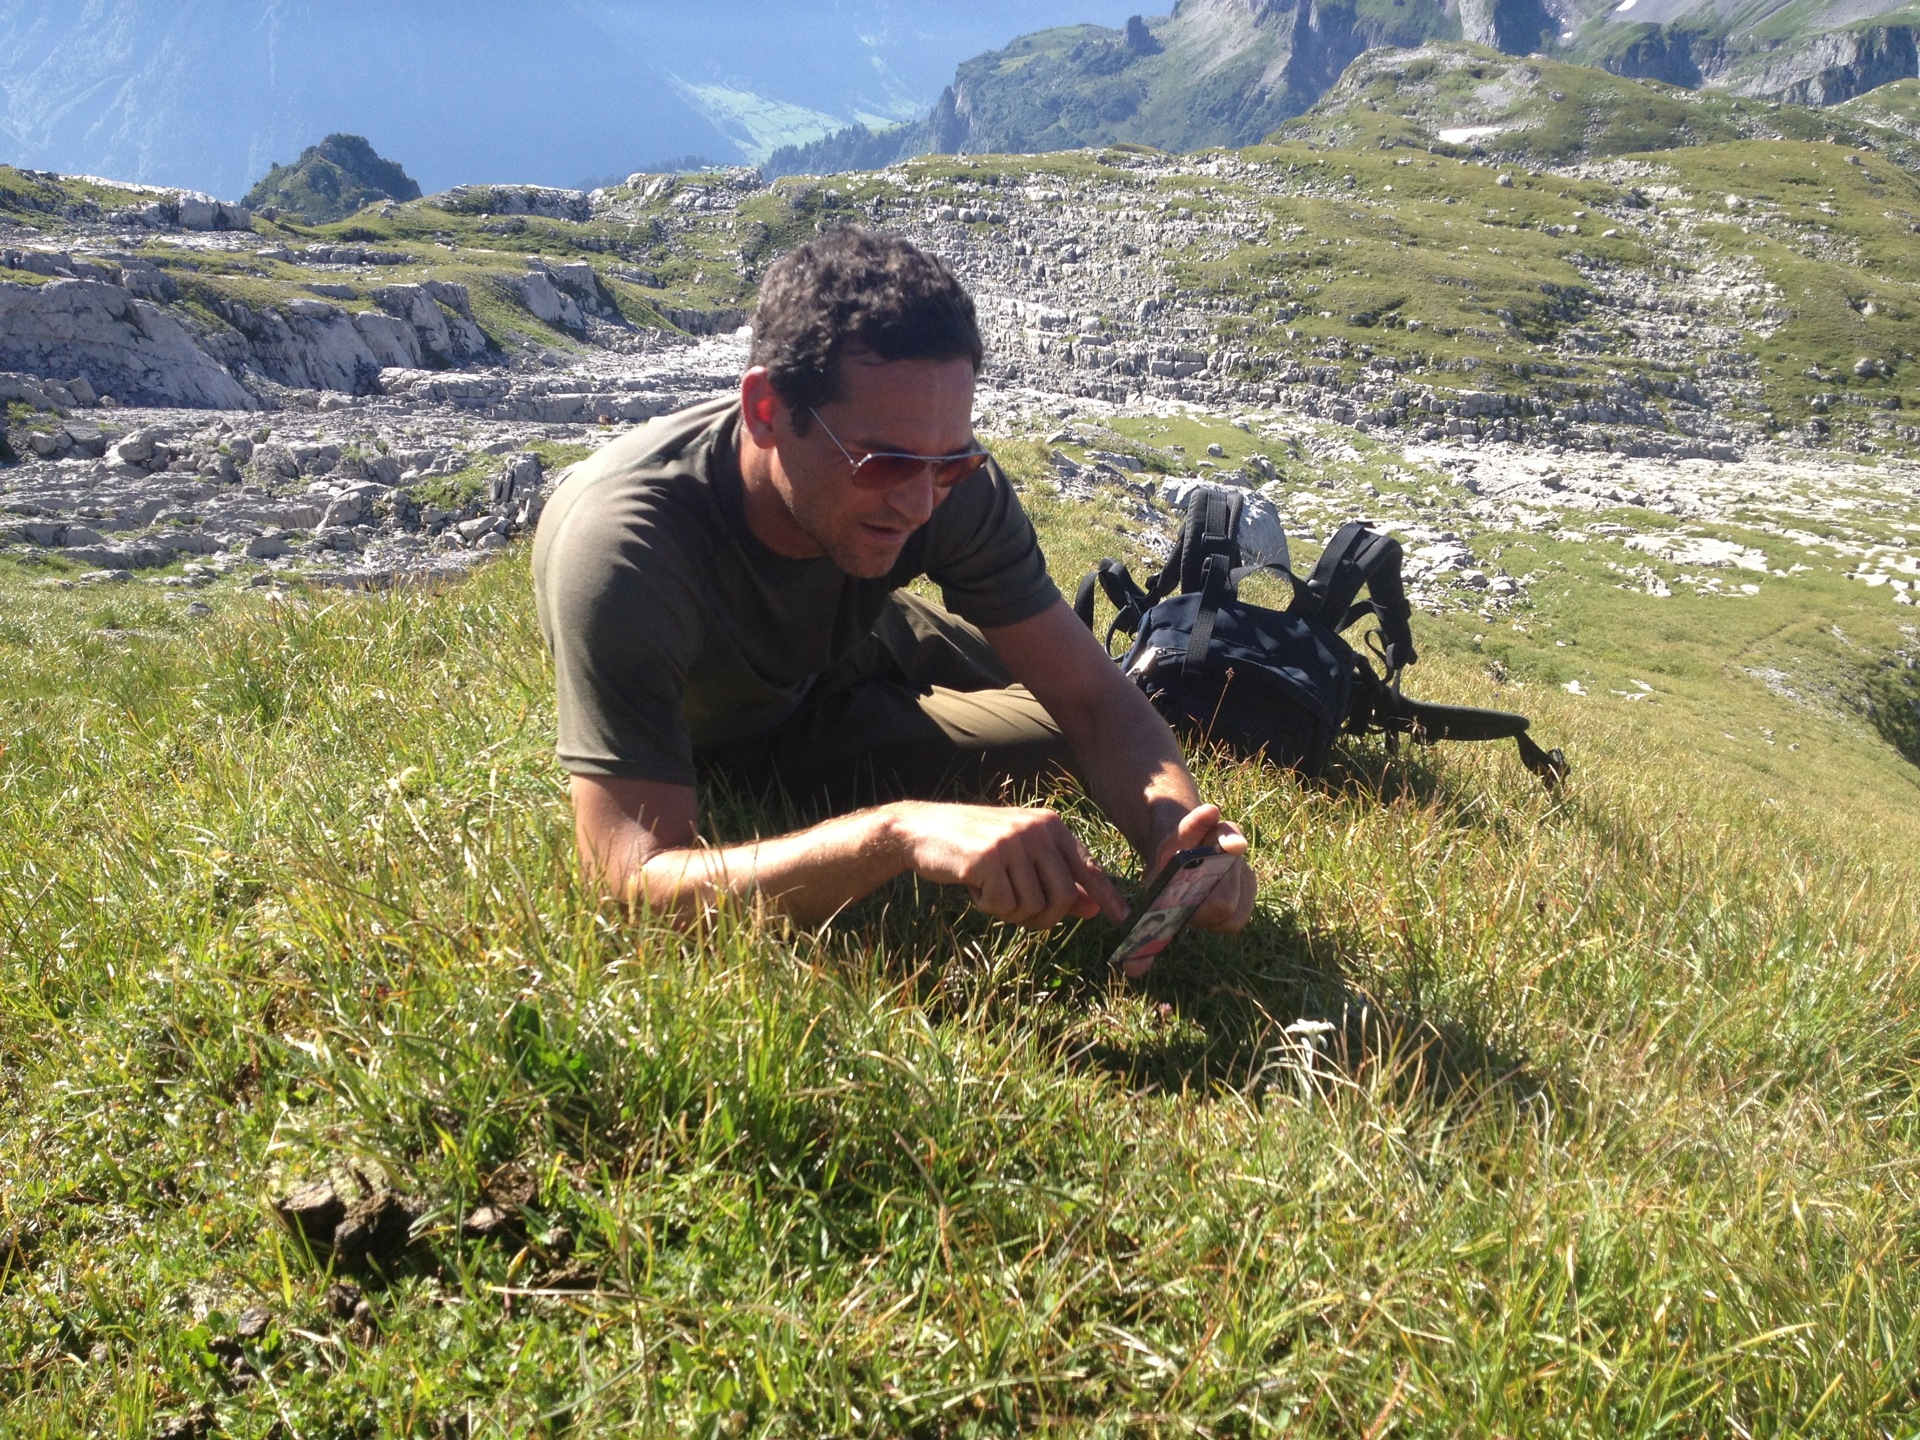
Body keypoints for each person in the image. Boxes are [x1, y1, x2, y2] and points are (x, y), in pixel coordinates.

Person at [532, 227, 1255, 939]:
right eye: (883, 462)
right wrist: (898, 833)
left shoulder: (940, 476)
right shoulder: (627, 553)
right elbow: (630, 881)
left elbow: (1096, 701)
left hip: (869, 630)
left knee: (1122, 707)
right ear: (766, 413)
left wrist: (1173, 830)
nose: (918, 501)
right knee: (1046, 747)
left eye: (952, 460)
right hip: (756, 726)